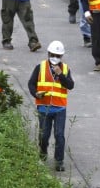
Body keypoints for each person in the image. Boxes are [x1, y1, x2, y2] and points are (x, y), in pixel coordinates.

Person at [27, 40, 74, 172]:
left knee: (59, 135)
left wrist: (60, 75)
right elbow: (31, 84)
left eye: (58, 56)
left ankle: (59, 162)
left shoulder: (65, 69)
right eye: (53, 54)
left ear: (62, 56)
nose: (55, 58)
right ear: (48, 53)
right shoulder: (40, 67)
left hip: (60, 108)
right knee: (44, 135)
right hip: (44, 107)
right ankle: (42, 156)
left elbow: (70, 85)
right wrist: (36, 94)